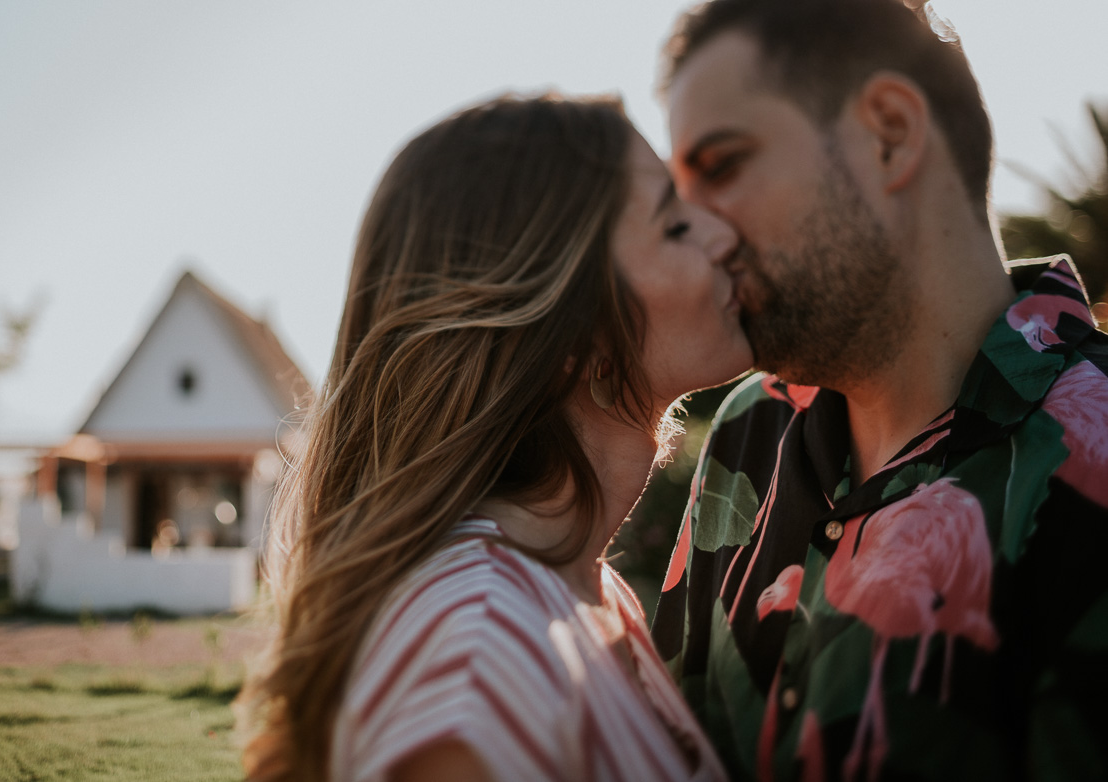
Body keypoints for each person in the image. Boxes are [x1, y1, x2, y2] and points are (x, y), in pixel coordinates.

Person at [649, 0, 1108, 780]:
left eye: (721, 167)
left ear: (888, 133)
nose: (702, 235)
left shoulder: (1090, 465)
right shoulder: (747, 428)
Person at [235, 94, 751, 782]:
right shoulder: (476, 658)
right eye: (675, 225)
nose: (723, 236)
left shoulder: (580, 594)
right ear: (574, 336)